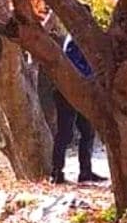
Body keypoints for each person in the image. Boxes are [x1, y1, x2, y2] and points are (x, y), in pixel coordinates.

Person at [45, 35, 107, 184]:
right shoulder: (75, 40)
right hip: (67, 90)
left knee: (87, 131)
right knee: (65, 132)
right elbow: (76, 66)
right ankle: (56, 172)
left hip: (83, 91)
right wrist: (91, 79)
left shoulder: (85, 40)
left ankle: (85, 172)